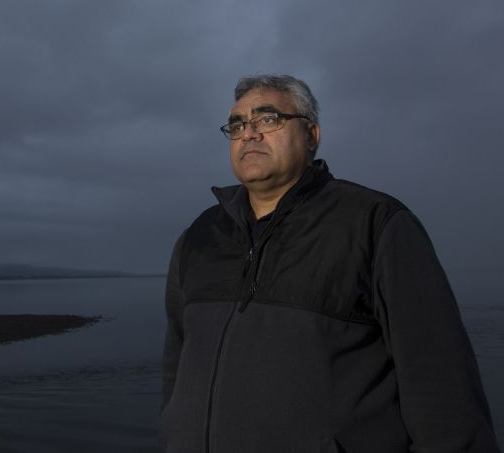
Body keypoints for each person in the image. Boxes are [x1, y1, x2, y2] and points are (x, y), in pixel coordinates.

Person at [160, 74, 500, 452]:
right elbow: (177, 363)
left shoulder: (375, 223)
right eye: (237, 124)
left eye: (268, 119)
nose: (248, 133)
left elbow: (441, 385)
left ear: (311, 135)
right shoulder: (199, 236)